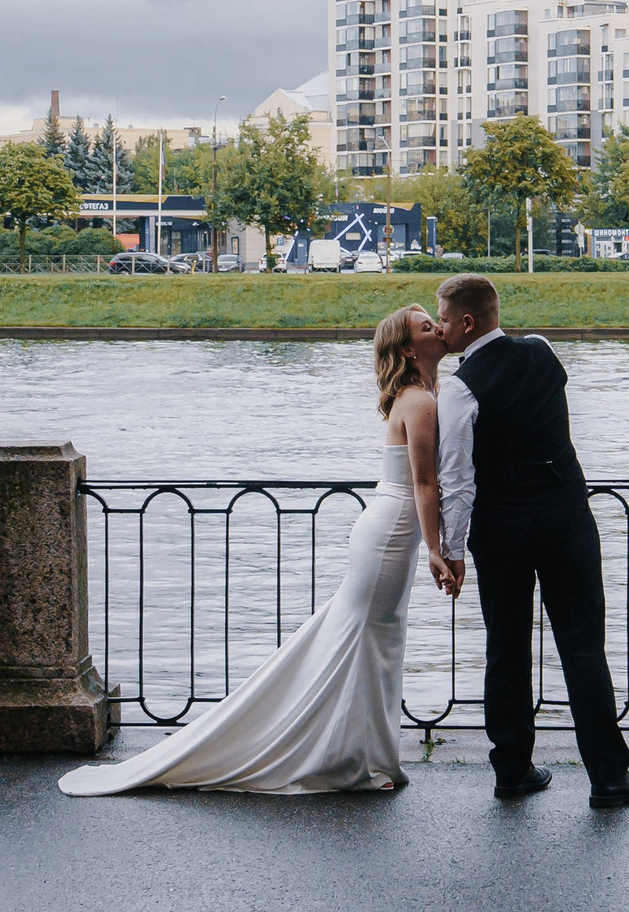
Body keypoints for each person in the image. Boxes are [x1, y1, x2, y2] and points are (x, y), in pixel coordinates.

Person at [58, 305, 454, 795]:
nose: (437, 327)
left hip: (390, 531)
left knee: (374, 644)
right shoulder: (420, 401)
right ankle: (349, 756)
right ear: (409, 348)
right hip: (392, 532)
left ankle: (360, 753)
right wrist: (438, 549)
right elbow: (424, 485)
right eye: (425, 325)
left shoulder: (424, 395)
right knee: (369, 642)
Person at [432, 273, 629, 809]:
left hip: (501, 527)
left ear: (465, 322)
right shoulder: (542, 351)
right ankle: (609, 779)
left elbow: (458, 479)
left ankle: (512, 771)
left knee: (506, 648)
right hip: (566, 518)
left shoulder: (459, 387)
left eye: (442, 317)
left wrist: (452, 550)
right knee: (582, 646)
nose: (438, 327)